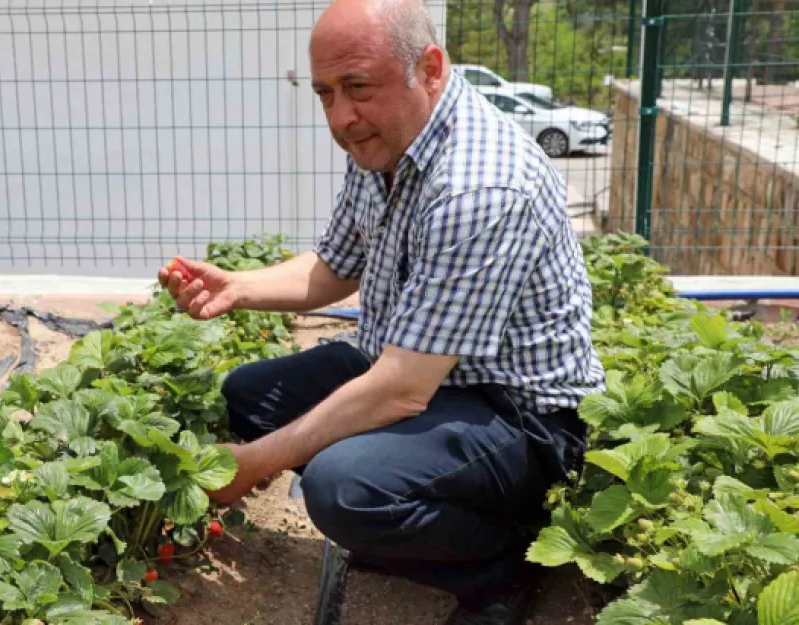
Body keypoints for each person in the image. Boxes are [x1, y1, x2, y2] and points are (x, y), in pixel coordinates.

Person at [157, 0, 605, 623]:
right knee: (250, 396)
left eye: (357, 87)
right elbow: (336, 265)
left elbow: (397, 390)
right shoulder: (383, 139)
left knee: (341, 490)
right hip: (421, 372)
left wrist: (256, 464)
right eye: (325, 93)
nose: (341, 117)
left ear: (430, 68)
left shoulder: (481, 186)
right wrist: (237, 286)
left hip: (515, 419)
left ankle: (504, 561)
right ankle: (410, 507)